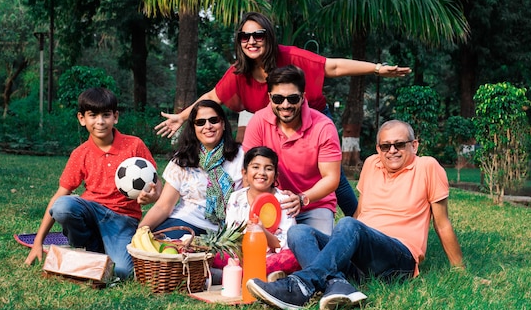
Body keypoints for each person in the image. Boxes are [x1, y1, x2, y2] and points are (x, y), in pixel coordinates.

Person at [155, 12, 411, 218]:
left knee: (333, 177)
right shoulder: (239, 73)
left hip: (312, 119)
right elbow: (214, 95)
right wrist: (183, 115)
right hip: (270, 126)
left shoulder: (290, 56)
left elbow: (332, 66)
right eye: (245, 37)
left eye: (258, 35)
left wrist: (377, 68)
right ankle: (269, 217)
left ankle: (359, 223)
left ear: (269, 37)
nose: (251, 41)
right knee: (266, 170)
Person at [246, 120, 465, 310]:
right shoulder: (371, 164)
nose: (392, 151)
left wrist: (460, 271)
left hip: (399, 257)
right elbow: (362, 212)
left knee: (349, 224)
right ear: (378, 148)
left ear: (414, 146)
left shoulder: (428, 166)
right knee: (298, 231)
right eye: (385, 146)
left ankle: (301, 286)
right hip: (361, 257)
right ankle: (338, 285)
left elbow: (442, 223)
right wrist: (345, 243)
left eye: (399, 144)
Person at [24, 88, 162, 278]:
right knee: (63, 206)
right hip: (91, 210)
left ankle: (99, 252)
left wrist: (152, 195)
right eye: (93, 115)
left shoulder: (134, 145)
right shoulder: (80, 154)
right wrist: (38, 242)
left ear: (115, 117)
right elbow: (60, 195)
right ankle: (90, 247)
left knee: (122, 272)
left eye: (106, 115)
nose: (100, 121)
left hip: (122, 218)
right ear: (82, 119)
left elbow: (157, 183)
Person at [242, 65, 341, 235]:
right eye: (278, 99)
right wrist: (254, 204)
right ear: (269, 97)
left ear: (303, 97)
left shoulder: (323, 126)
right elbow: (249, 170)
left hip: (314, 205)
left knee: (316, 253)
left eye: (293, 99)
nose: (285, 105)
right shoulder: (258, 121)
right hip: (271, 202)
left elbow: (331, 178)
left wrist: (302, 199)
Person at [138, 100, 243, 239]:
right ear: (193, 128)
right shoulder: (183, 158)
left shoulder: (241, 156)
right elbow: (163, 206)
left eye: (214, 120)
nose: (208, 126)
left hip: (226, 230)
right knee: (158, 248)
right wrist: (139, 232)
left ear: (223, 124)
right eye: (200, 122)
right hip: (186, 221)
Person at [222, 146, 299, 279]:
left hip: (271, 258)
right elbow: (230, 239)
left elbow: (283, 246)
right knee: (215, 254)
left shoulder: (284, 201)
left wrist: (262, 231)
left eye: (268, 168)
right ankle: (255, 276)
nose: (262, 173)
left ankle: (239, 276)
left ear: (276, 175)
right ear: (244, 173)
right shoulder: (236, 198)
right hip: (241, 256)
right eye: (255, 167)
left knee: (293, 258)